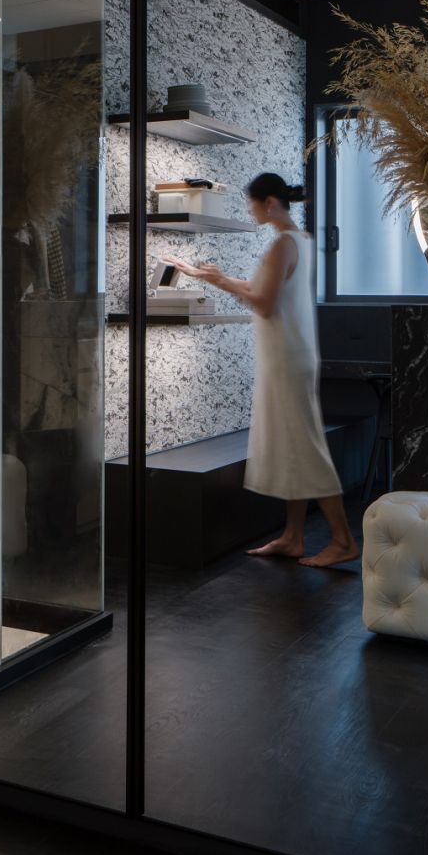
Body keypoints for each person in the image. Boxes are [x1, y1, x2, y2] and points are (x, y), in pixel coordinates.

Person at [166, 173, 358, 568]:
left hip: (287, 360)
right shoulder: (300, 240)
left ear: (269, 203)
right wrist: (213, 278)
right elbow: (266, 290)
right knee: (293, 446)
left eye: (250, 203)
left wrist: (220, 280)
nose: (248, 210)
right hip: (292, 356)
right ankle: (293, 537)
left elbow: (263, 303)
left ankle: (342, 540)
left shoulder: (283, 244)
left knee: (305, 446)